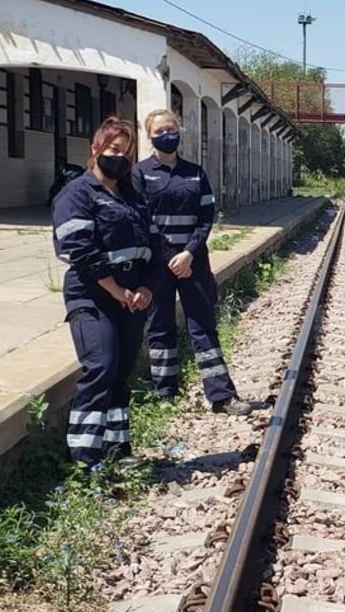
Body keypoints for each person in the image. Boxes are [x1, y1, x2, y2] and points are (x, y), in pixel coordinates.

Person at [52, 116, 163, 467]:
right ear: (96, 148)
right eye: (115, 150)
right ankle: (84, 459)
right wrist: (116, 290)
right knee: (100, 366)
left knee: (120, 373)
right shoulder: (77, 194)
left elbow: (154, 245)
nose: (121, 158)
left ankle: (118, 451)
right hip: (93, 295)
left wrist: (145, 287)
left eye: (127, 153)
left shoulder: (132, 195)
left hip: (131, 296)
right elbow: (78, 249)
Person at [135, 109, 254, 416]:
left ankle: (221, 395)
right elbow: (140, 219)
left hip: (193, 261)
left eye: (171, 128)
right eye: (159, 130)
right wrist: (167, 256)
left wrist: (188, 252)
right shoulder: (139, 174)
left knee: (203, 325)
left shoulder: (195, 172)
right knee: (160, 327)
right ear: (149, 135)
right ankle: (165, 393)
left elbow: (205, 218)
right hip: (157, 265)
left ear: (180, 130)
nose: (166, 134)